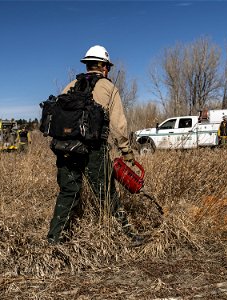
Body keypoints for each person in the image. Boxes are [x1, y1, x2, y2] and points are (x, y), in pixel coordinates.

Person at [47, 45, 142, 246]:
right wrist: (126, 150)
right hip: (93, 150)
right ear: (105, 67)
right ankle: (127, 235)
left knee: (68, 192)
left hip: (65, 147)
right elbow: (119, 124)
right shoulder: (109, 88)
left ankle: (54, 239)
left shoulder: (70, 85)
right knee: (106, 193)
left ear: (87, 65)